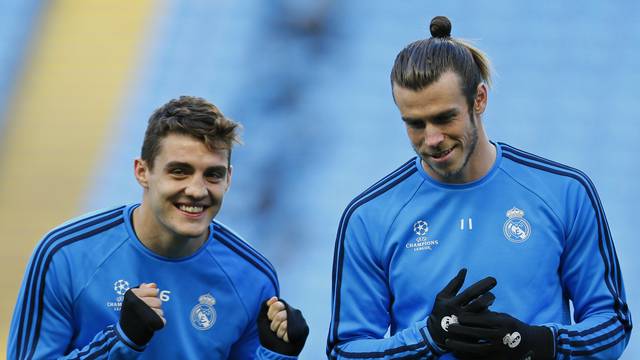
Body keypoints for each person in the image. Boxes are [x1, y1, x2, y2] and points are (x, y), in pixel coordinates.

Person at [327, 16, 632, 359]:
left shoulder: (565, 192)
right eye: (415, 124)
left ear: (479, 99)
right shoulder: (369, 217)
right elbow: (345, 352)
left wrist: (537, 343)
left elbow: (613, 324)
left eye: (444, 118)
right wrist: (428, 338)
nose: (432, 139)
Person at [8, 96, 309, 359]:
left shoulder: (253, 277)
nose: (197, 190)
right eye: (179, 171)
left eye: (213, 175)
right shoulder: (66, 255)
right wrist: (121, 342)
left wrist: (277, 357)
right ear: (143, 172)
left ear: (229, 179)